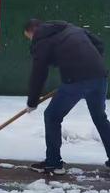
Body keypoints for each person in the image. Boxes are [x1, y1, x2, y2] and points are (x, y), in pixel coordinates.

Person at [24, 19, 110, 174]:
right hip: (99, 77)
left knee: (51, 116)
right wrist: (88, 65)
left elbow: (39, 73)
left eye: (28, 37)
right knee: (100, 118)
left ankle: (53, 163)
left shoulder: (41, 41)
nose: (31, 40)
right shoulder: (71, 28)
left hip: (75, 81)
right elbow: (99, 45)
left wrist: (32, 102)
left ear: (32, 32)